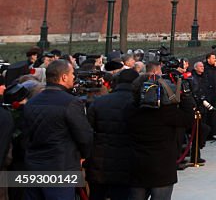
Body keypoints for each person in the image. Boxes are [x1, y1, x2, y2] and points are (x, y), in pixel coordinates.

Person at [18, 59, 93, 200]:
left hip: (34, 167)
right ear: (64, 77)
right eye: (72, 74)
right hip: (61, 168)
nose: (74, 77)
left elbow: (25, 136)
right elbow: (84, 136)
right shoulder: (71, 102)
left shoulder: (32, 102)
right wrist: (83, 156)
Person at [127, 64, 194, 200]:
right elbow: (188, 120)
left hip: (137, 167)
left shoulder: (130, 110)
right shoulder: (167, 112)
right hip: (162, 170)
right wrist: (185, 95)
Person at [86, 69, 138, 200]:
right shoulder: (137, 104)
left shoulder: (99, 102)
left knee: (97, 195)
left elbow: (88, 130)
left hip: (99, 160)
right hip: (127, 161)